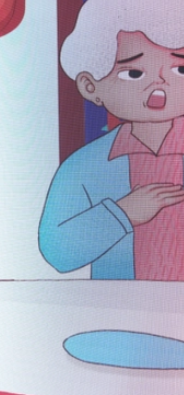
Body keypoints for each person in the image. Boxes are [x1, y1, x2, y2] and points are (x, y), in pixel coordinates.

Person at [39, 0, 184, 280]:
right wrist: (123, 213)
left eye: (180, 69)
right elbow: (56, 250)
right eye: (134, 73)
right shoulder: (85, 165)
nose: (160, 85)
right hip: (117, 300)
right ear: (90, 86)